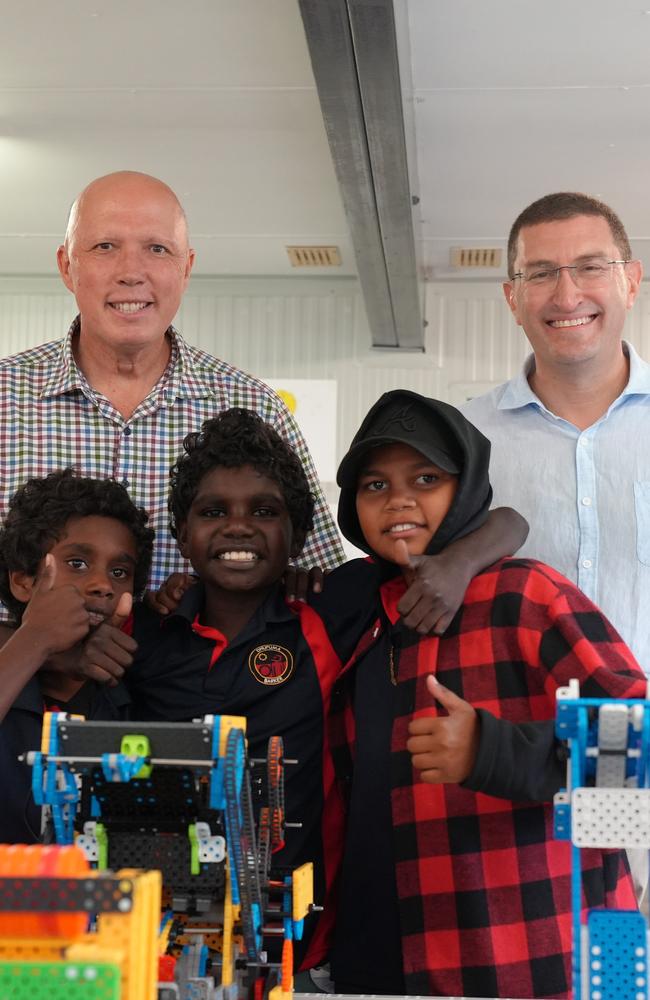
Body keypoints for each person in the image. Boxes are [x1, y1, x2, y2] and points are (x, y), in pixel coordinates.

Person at [124, 408, 525, 970]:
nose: (238, 526)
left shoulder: (333, 605)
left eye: (264, 512)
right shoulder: (144, 634)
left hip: (297, 939)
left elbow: (508, 522)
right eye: (213, 512)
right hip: (153, 936)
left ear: (299, 535)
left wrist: (458, 565)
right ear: (182, 536)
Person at [327, 388, 646, 999]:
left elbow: (637, 751)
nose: (399, 499)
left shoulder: (526, 597)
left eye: (425, 477)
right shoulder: (354, 615)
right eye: (374, 485)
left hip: (543, 960)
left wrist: (493, 753)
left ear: (467, 486)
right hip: (379, 962)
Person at [0, 169, 345, 619]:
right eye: (105, 246)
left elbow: (314, 574)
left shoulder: (254, 407)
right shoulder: (5, 397)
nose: (131, 272)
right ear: (68, 266)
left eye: (157, 249)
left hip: (204, 686)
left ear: (186, 268)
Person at [460, 192, 650, 676]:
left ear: (630, 282)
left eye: (591, 267)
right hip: (509, 739)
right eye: (541, 273)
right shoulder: (463, 440)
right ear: (512, 298)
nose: (567, 297)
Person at [0, 469, 154, 844]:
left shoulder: (131, 699)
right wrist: (34, 640)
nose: (102, 585)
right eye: (78, 564)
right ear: (23, 581)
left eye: (120, 572)